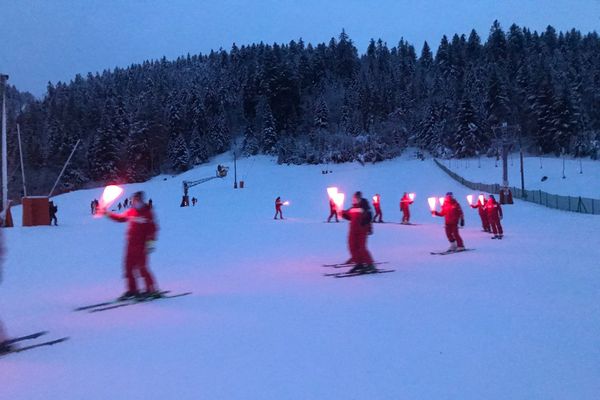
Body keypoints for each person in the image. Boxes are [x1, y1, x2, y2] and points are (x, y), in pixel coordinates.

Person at [103, 191, 160, 300]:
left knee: (142, 268)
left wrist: (151, 243)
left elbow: (153, 229)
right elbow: (120, 218)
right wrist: (107, 214)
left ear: (141, 200)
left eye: (136, 200)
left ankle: (151, 290)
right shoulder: (131, 211)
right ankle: (132, 290)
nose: (134, 202)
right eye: (133, 200)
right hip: (130, 245)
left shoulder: (148, 213)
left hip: (142, 246)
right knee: (128, 268)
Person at [342, 192, 376, 273]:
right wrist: (341, 212)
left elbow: (369, 218)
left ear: (360, 198)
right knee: (352, 247)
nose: (355, 200)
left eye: (357, 198)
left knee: (361, 248)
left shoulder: (365, 207)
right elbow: (347, 216)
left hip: (362, 231)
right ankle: (359, 263)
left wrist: (369, 228)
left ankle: (370, 265)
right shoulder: (352, 208)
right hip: (353, 231)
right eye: (354, 198)